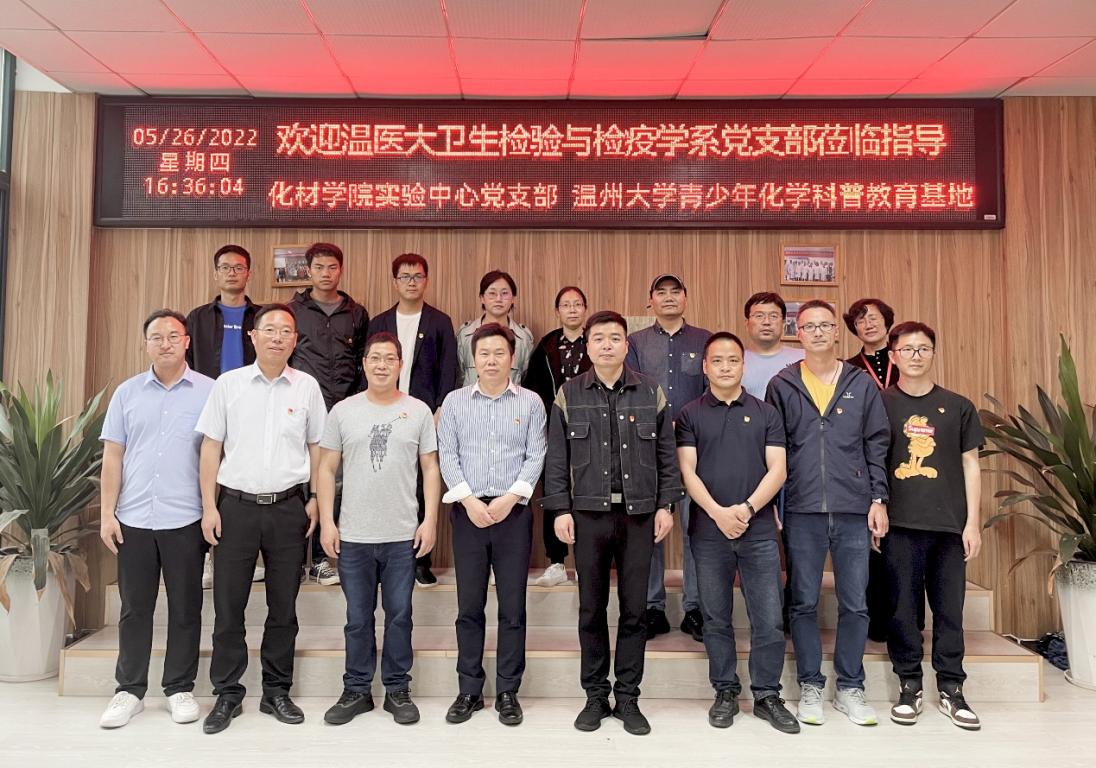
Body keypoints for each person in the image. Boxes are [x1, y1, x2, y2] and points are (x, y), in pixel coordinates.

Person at [543, 310, 681, 736]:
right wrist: (560, 510)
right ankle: (595, 695)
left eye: (615, 337)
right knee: (591, 608)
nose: (606, 344)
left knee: (635, 610)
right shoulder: (569, 393)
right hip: (588, 516)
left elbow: (667, 454)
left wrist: (666, 505)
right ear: (588, 346)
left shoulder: (650, 391)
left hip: (639, 517)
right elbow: (557, 458)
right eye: (598, 338)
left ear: (626, 345)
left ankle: (628, 697)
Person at [196, 304, 327, 734]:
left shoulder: (307, 387)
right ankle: (227, 693)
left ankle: (276, 691)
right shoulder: (228, 385)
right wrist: (209, 506)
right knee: (228, 606)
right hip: (234, 508)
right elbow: (211, 448)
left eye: (286, 331)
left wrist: (314, 499)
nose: (277, 337)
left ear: (295, 340)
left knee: (283, 607)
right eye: (269, 329)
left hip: (289, 508)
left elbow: (318, 449)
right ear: (252, 336)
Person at [765, 299, 890, 727]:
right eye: (808, 326)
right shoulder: (782, 384)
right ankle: (810, 685)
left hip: (854, 506)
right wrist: (774, 503)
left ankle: (851, 686)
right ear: (797, 333)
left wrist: (878, 498)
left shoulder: (861, 383)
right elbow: (773, 449)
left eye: (825, 325)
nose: (817, 332)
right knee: (803, 601)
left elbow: (877, 443)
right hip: (801, 508)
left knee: (855, 602)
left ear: (837, 332)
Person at [676, 332, 799, 734]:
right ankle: (725, 691)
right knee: (715, 617)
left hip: (758, 530)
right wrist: (717, 513)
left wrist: (745, 510)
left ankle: (767, 695)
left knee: (768, 618)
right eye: (718, 360)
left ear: (743, 366)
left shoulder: (766, 413)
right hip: (708, 531)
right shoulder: (690, 414)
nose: (726, 367)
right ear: (705, 367)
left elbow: (778, 469)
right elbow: (687, 471)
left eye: (733, 360)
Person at [97, 310, 214, 729]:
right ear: (146, 344)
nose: (165, 343)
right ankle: (129, 690)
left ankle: (179, 688)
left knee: (186, 607)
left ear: (187, 341)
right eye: (156, 337)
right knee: (134, 608)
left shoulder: (210, 392)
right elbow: (113, 456)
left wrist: (210, 508)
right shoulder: (127, 393)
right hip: (134, 518)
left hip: (186, 518)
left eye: (173, 336)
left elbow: (215, 456)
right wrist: (107, 514)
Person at [316, 332, 441, 727]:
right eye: (375, 358)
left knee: (400, 615)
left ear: (401, 365)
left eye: (390, 358)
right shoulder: (343, 411)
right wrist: (327, 522)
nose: (382, 365)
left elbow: (430, 468)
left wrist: (430, 520)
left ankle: (397, 689)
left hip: (402, 535)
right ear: (364, 363)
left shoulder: (418, 411)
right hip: (354, 535)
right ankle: (356, 690)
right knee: (357, 617)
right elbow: (326, 468)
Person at [437, 323, 547, 727]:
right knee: (469, 606)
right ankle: (469, 690)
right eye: (484, 353)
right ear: (473, 358)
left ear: (512, 358)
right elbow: (447, 454)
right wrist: (469, 500)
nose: (491, 360)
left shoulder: (531, 403)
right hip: (467, 513)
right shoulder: (454, 402)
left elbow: (536, 455)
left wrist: (509, 499)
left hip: (513, 514)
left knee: (513, 608)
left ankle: (507, 691)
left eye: (499, 353)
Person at [882, 321, 984, 731]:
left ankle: (952, 688)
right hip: (899, 524)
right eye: (907, 349)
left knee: (949, 611)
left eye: (923, 348)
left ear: (933, 354)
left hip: (948, 527)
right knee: (902, 609)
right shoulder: (880, 403)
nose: (915, 356)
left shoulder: (958, 406)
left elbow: (971, 464)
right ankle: (909, 684)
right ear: (893, 356)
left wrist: (972, 523)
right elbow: (871, 462)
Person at [625, 273, 709, 642]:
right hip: (649, 449)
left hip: (695, 449)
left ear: (686, 298)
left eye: (676, 291)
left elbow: (711, 392)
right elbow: (632, 391)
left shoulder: (704, 340)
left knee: (695, 529)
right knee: (649, 531)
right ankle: (653, 608)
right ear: (651, 300)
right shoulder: (636, 342)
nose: (669, 297)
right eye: (662, 292)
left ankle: (695, 608)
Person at [368, 252, 459, 587]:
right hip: (383, 413)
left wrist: (440, 408)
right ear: (395, 282)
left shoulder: (439, 321)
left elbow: (448, 368)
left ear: (426, 280)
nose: (411, 282)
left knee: (421, 486)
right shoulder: (379, 322)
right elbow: (369, 366)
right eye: (405, 276)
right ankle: (382, 559)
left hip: (423, 415)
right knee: (384, 481)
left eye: (417, 276)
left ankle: (420, 561)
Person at [288, 242, 369, 587]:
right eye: (319, 267)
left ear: (341, 270)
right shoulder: (292, 310)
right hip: (302, 408)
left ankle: (322, 559)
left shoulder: (356, 313)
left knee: (334, 485)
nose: (325, 273)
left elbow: (364, 362)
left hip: (343, 411)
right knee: (299, 481)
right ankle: (293, 560)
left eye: (332, 267)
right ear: (308, 271)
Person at [185, 243, 262, 588]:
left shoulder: (261, 317)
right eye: (226, 267)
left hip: (252, 409)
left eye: (238, 267)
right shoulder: (198, 318)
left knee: (245, 481)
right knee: (205, 479)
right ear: (216, 273)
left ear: (249, 273)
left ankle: (249, 555)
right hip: (208, 407)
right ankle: (205, 555)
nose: (232, 273)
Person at [523, 285, 591, 587]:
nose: (572, 309)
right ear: (557, 311)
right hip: (555, 430)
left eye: (577, 304)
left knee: (589, 492)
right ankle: (556, 562)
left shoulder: (595, 340)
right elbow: (533, 388)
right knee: (555, 491)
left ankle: (588, 561)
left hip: (592, 429)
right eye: (566, 305)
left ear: (585, 309)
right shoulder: (547, 344)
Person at [843, 297, 902, 642]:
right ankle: (876, 620)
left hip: (905, 458)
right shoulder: (849, 369)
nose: (868, 324)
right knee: (871, 542)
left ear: (887, 321)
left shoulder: (904, 359)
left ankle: (904, 620)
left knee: (901, 542)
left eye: (874, 318)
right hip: (866, 459)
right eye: (860, 320)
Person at [456, 270, 534, 386]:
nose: (498, 299)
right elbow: (459, 375)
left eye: (504, 293)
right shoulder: (465, 334)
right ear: (482, 298)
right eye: (492, 293)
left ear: (513, 298)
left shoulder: (523, 338)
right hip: (471, 397)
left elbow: (526, 378)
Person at [741, 292, 804, 398]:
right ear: (747, 324)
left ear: (783, 324)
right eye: (759, 316)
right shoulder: (735, 361)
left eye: (773, 316)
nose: (766, 322)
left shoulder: (803, 358)